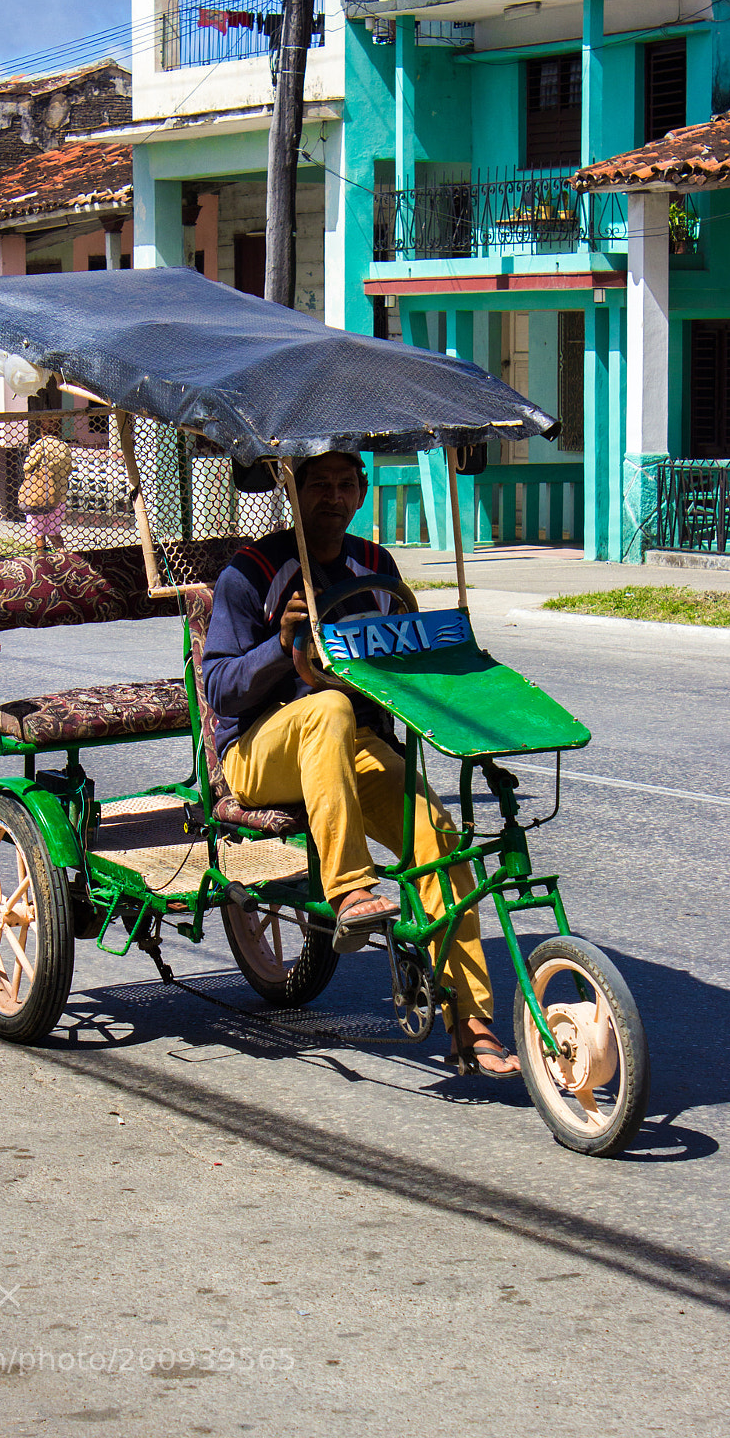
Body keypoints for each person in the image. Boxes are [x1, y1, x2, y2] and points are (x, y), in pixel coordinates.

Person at [202, 450, 520, 1078]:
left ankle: (470, 1019)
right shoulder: (251, 572)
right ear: (290, 493)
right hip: (258, 752)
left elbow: (405, 662)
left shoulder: (376, 566)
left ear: (362, 492)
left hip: (354, 748)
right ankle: (350, 889)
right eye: (319, 484)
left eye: (346, 484)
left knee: (437, 834)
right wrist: (280, 646)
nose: (334, 497)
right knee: (326, 708)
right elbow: (220, 689)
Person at [18, 414, 73, 553]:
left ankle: (41, 558)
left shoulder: (40, 445)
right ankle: (63, 557)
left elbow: (27, 467)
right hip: (59, 496)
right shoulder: (64, 446)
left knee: (39, 531)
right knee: (54, 531)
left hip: (40, 495)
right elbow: (69, 469)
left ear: (42, 429)